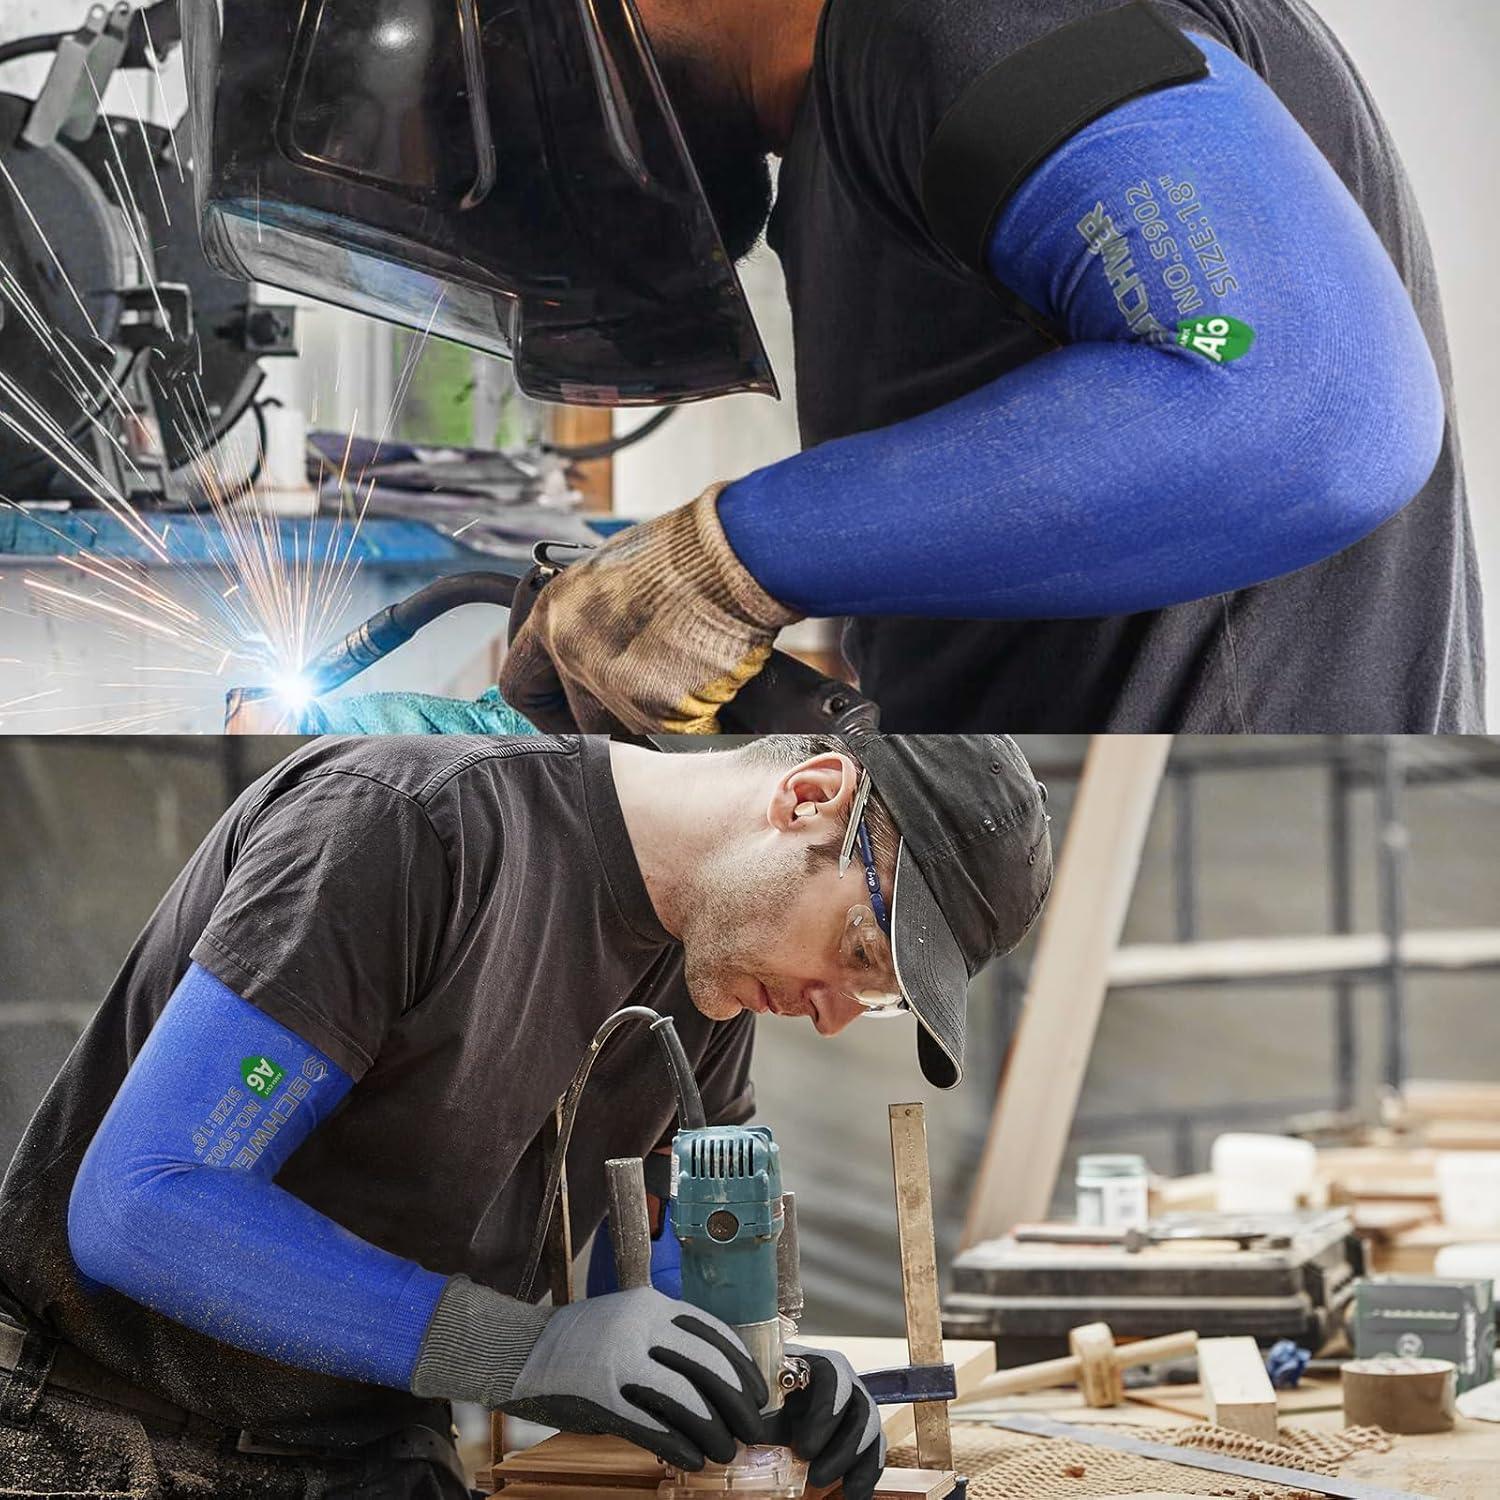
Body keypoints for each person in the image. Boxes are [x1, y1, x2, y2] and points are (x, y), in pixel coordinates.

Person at [0, 733, 1052, 1499]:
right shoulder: (403, 828)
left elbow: (675, 1274)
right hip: (93, 1421)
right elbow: (144, 1205)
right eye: (861, 957)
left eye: (874, 1003)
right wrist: (521, 1353)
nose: (830, 1018)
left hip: (363, 1446)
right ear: (810, 796)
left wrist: (764, 1377)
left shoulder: (715, 978)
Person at [491, 0, 1481, 734]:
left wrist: (725, 566)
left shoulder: (967, 16)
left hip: (1203, 863)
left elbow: (1298, 404)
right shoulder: (856, 124)